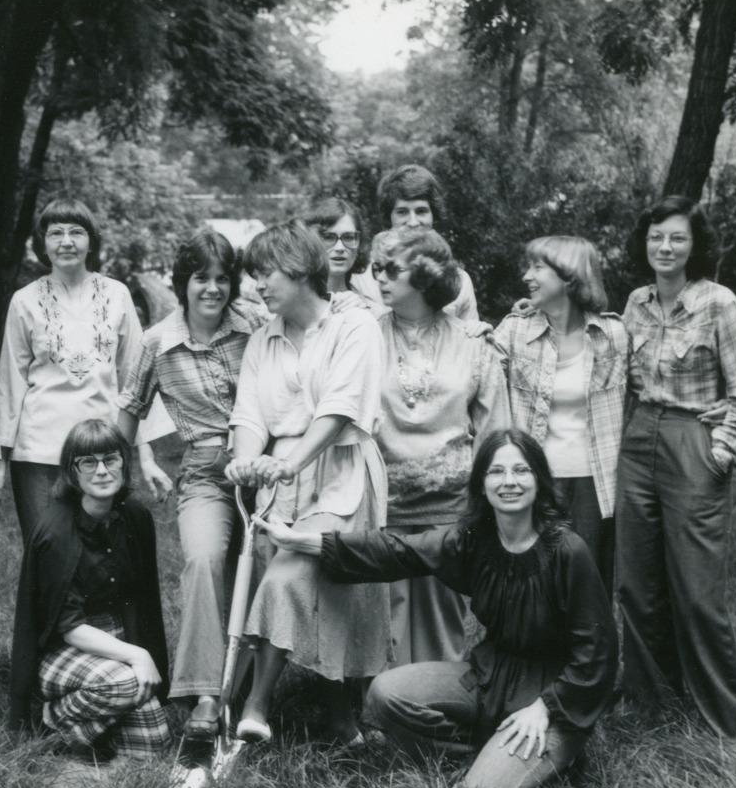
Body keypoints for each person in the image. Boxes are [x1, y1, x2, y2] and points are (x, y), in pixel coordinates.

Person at [259, 429, 619, 788]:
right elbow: (398, 551)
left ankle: (540, 775)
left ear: (539, 480)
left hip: (553, 700)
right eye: (496, 472)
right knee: (385, 694)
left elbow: (598, 654)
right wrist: (308, 542)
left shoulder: (567, 551)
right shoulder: (475, 538)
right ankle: (488, 758)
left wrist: (545, 708)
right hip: (491, 677)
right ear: (481, 482)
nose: (509, 482)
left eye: (521, 471)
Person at [225, 220, 391, 745]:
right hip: (283, 480)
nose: (258, 285)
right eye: (254, 275)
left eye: (266, 272)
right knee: (317, 591)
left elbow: (341, 410)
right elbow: (249, 415)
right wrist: (246, 462)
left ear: (300, 270)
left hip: (341, 471)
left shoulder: (355, 327)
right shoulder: (262, 339)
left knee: (294, 580)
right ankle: (341, 721)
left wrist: (291, 462)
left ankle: (257, 702)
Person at [615, 197, 736, 737]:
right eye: (656, 236)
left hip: (691, 440)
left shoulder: (719, 303)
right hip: (637, 440)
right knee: (636, 583)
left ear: (694, 245)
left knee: (697, 589)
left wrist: (718, 450)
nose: (665, 246)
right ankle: (654, 701)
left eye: (677, 237)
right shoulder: (636, 302)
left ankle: (733, 720)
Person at [115, 229, 268, 737]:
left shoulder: (257, 326)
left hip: (266, 467)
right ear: (184, 282)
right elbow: (130, 410)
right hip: (204, 472)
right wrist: (116, 476)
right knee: (203, 561)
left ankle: (246, 689)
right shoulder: (158, 342)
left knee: (265, 569)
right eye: (202, 277)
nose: (213, 288)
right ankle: (206, 694)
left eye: (223, 278)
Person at [373, 226, 510, 665]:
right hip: (382, 504)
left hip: (449, 507)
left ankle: (434, 714)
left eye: (391, 269)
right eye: (376, 268)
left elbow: (495, 434)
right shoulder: (360, 339)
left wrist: (490, 509)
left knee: (440, 617)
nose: (379, 278)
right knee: (382, 616)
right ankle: (380, 715)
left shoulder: (474, 343)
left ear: (427, 273)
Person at [8, 419, 171, 760]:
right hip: (62, 650)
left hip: (115, 640)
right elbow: (68, 628)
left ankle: (95, 735)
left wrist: (138, 652)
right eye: (88, 462)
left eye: (111, 459)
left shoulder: (135, 517)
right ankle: (51, 722)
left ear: (124, 464)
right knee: (125, 685)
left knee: (154, 742)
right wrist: (138, 656)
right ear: (72, 471)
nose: (101, 471)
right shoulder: (55, 532)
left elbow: (143, 602)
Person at [0, 198, 143, 544]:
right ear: (42, 242)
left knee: (102, 550)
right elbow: (10, 383)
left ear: (91, 240)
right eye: (55, 232)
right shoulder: (25, 300)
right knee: (46, 550)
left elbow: (137, 380)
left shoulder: (117, 295)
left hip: (102, 448)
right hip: (38, 449)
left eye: (76, 232)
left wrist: (139, 453)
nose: (66, 241)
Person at [491, 236, 628, 593]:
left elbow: (647, 389)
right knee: (534, 586)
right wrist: (469, 332)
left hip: (594, 483)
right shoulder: (515, 330)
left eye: (538, 267)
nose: (526, 276)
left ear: (569, 276)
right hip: (535, 481)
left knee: (589, 588)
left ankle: (590, 652)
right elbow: (475, 377)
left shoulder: (612, 334)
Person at [375, 164, 481, 321]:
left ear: (434, 216)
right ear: (389, 217)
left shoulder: (458, 280)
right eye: (402, 212)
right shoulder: (369, 278)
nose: (412, 222)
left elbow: (470, 334)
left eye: (421, 211)